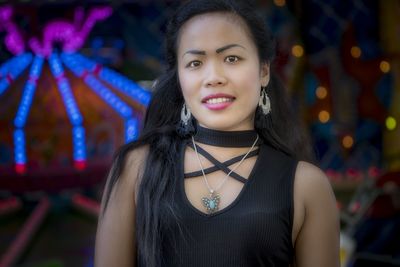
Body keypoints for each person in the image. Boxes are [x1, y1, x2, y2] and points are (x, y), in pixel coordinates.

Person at [95, 0, 340, 266]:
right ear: (178, 77)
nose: (213, 77)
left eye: (231, 58)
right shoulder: (136, 169)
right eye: (195, 63)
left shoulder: (306, 185)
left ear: (264, 70)